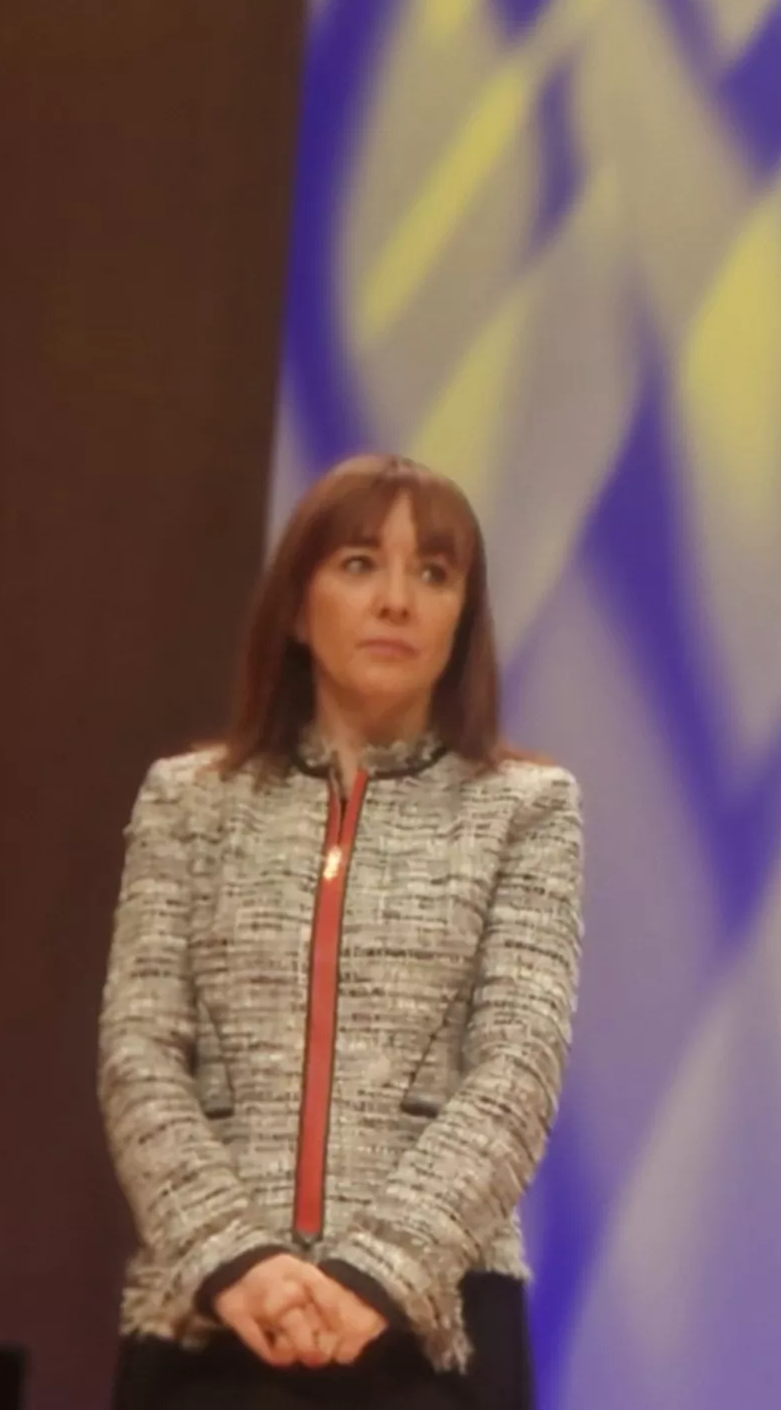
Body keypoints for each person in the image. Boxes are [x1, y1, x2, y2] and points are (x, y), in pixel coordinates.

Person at [99, 455, 583, 1410]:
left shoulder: (527, 811)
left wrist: (376, 1272)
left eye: (433, 574)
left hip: (433, 1335)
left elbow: (517, 1074)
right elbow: (139, 1055)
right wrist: (236, 1259)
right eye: (361, 564)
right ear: (294, 605)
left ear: (461, 621)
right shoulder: (189, 804)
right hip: (213, 1320)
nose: (397, 600)